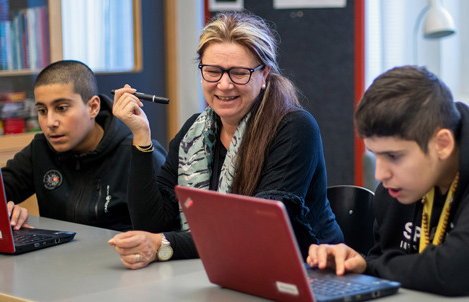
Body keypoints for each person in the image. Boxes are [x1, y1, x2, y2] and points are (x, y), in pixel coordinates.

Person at [307, 65, 469, 301]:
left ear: (442, 144)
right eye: (375, 154)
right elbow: (386, 259)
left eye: (393, 156)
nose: (380, 174)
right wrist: (359, 262)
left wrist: (369, 266)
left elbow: (454, 273)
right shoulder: (398, 189)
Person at [107, 11, 343, 269]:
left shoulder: (294, 127)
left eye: (239, 73)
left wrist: (164, 244)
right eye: (213, 71)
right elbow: (150, 225)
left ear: (264, 74)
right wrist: (141, 136)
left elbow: (258, 229)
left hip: (305, 269)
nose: (224, 85)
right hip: (224, 266)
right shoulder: (193, 132)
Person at [3, 60, 166, 231]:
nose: (50, 122)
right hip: (57, 257)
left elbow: (168, 228)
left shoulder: (140, 153)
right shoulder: (40, 150)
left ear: (93, 107)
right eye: (42, 111)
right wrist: (8, 210)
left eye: (62, 108)